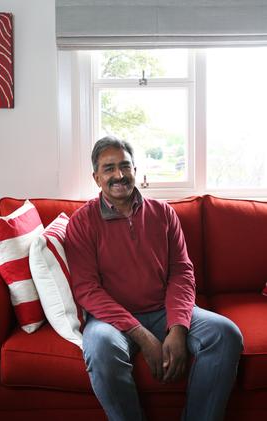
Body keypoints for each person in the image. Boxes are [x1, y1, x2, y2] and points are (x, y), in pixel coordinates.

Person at [64, 135, 243, 421]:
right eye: (109, 168)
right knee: (99, 348)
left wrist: (178, 328)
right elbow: (87, 289)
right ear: (96, 177)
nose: (119, 175)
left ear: (135, 170)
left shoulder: (163, 213)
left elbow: (182, 273)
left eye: (125, 166)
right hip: (111, 320)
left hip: (164, 309)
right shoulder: (82, 222)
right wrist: (143, 336)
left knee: (225, 334)